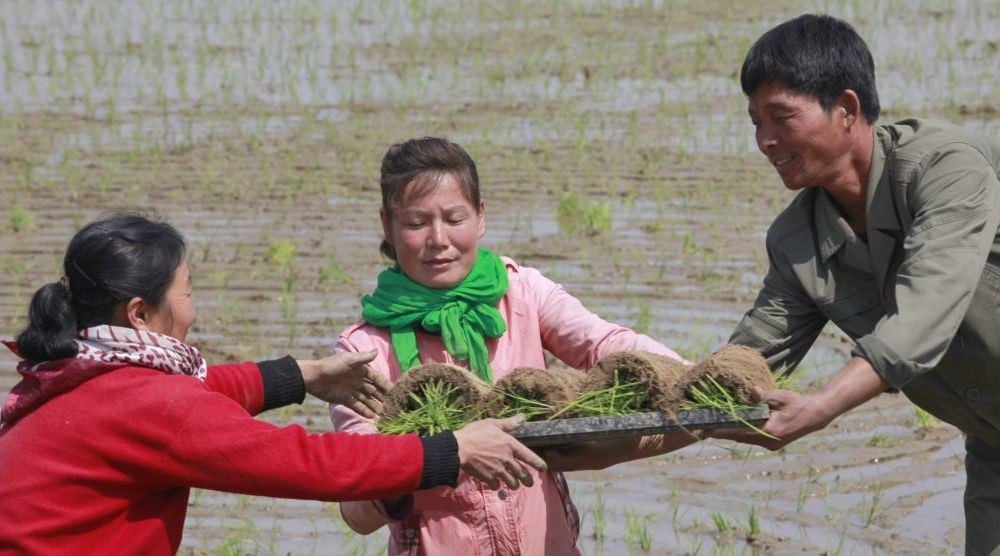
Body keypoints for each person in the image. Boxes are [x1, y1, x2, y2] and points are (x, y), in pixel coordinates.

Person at [0, 213, 546, 555]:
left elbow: (193, 395)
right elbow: (307, 462)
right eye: (187, 293)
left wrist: (300, 377)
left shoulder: (83, 369)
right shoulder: (143, 402)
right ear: (140, 313)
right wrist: (449, 451)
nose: (193, 310)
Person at [707, 13, 1000, 556]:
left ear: (845, 108)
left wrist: (821, 407)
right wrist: (595, 430)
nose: (765, 141)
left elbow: (923, 316)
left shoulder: (945, 168)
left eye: (781, 117)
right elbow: (746, 363)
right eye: (755, 122)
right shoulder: (798, 238)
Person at [330, 136, 694, 555]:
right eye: (415, 223)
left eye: (454, 218)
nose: (438, 239)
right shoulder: (364, 350)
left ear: (480, 217)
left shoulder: (523, 293)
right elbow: (355, 505)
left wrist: (691, 374)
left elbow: (606, 342)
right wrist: (436, 458)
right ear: (387, 226)